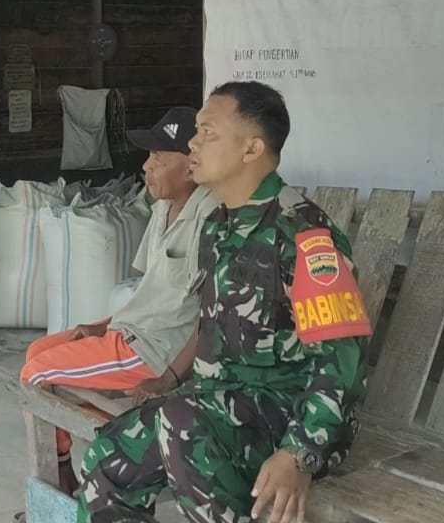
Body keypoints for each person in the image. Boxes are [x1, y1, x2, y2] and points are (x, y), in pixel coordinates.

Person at [77, 81, 371, 523]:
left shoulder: (303, 235)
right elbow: (211, 326)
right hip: (217, 404)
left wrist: (300, 454)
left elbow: (342, 360)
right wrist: (170, 379)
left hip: (286, 417)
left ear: (252, 149)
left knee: (180, 425)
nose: (193, 143)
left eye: (208, 132)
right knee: (108, 455)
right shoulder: (217, 224)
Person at [18, 106, 219, 494]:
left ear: (191, 167)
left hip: (154, 352)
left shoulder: (210, 218)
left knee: (37, 375)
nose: (146, 167)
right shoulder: (163, 209)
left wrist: (169, 377)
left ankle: (61, 482)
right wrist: (101, 326)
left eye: (158, 158)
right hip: (129, 333)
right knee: (37, 352)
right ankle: (117, 440)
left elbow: (212, 316)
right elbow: (149, 293)